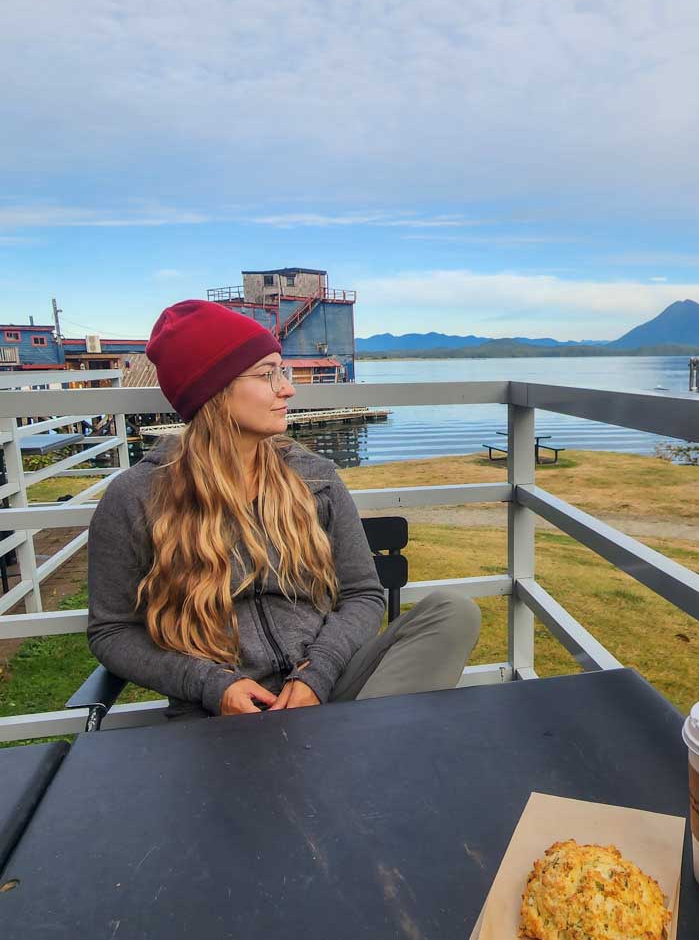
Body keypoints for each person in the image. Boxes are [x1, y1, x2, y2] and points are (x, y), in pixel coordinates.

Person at [87, 299, 481, 720]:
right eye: (267, 374)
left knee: (453, 612)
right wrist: (211, 684)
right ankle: (359, 744)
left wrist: (316, 675)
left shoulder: (314, 478)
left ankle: (354, 740)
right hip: (220, 713)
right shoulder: (137, 497)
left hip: (331, 686)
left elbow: (362, 594)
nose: (287, 388)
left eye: (283, 371)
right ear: (214, 391)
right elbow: (112, 631)